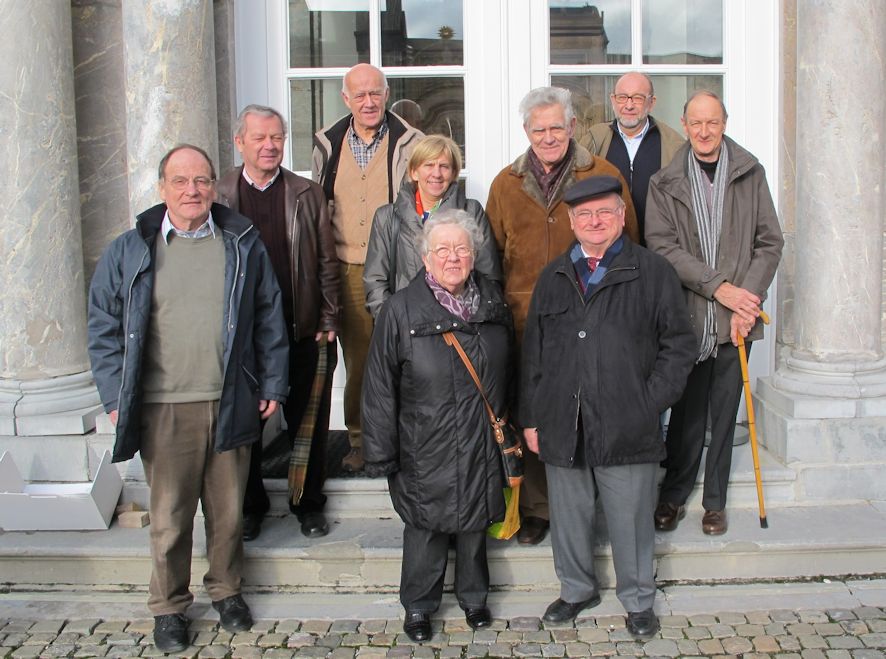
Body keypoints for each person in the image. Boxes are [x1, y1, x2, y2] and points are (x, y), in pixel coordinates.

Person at [87, 145, 289, 652]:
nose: (193, 190)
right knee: (171, 514)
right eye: (181, 181)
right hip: (162, 406)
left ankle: (226, 592)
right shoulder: (131, 248)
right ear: (162, 188)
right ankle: (170, 606)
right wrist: (115, 395)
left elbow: (269, 314)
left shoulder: (241, 241)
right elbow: (103, 326)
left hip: (228, 397)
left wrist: (271, 383)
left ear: (214, 187)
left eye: (201, 180)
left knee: (227, 511)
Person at [520, 176, 696, 639]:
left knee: (632, 519)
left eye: (604, 213)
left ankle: (638, 600)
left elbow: (679, 347)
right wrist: (532, 418)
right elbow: (533, 353)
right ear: (572, 222)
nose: (594, 222)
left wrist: (648, 401)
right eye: (584, 215)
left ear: (621, 217)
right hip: (563, 419)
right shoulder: (554, 275)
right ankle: (576, 590)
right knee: (570, 516)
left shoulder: (652, 272)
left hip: (627, 422)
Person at [485, 86, 639, 545]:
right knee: (531, 413)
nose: (548, 136)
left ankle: (586, 504)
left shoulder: (604, 173)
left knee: (586, 412)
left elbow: (629, 245)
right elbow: (491, 257)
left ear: (572, 126)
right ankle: (537, 508)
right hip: (523, 321)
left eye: (557, 126)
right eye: (539, 129)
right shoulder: (504, 184)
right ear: (526, 132)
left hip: (592, 320)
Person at [362, 210, 514, 643]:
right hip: (422, 441)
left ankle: (474, 597)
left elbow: (511, 370)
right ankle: (418, 606)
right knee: (425, 527)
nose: (453, 257)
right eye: (442, 249)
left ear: (474, 255)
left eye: (462, 248)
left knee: (474, 523)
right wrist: (381, 453)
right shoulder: (400, 308)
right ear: (425, 258)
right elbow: (378, 387)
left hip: (481, 436)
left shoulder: (492, 301)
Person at [646, 91, 784, 536]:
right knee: (685, 415)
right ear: (684, 125)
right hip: (688, 319)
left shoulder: (750, 172)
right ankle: (674, 494)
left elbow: (769, 242)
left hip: (737, 320)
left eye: (713, 123)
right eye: (696, 123)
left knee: (724, 414)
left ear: (724, 122)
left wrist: (747, 298)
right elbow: (663, 246)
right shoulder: (665, 182)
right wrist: (720, 288)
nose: (704, 132)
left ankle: (715, 502)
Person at [218, 105, 340, 541]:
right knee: (245, 426)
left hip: (301, 326)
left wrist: (328, 314)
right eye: (260, 138)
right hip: (244, 338)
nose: (270, 146)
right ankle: (250, 506)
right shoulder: (219, 196)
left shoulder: (307, 193)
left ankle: (307, 504)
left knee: (307, 422)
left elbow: (327, 261)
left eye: (277, 138)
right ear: (240, 143)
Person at [312, 63, 423, 473]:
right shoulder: (327, 143)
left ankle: (407, 437)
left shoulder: (412, 141)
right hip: (346, 266)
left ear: (387, 93)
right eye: (359, 95)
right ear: (346, 99)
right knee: (360, 360)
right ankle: (360, 438)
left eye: (375, 93)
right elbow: (319, 205)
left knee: (406, 356)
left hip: (399, 266)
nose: (368, 102)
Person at [363, 134, 501, 318]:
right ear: (414, 172)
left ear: (453, 173)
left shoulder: (471, 211)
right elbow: (375, 281)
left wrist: (473, 320)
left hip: (461, 323)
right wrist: (395, 322)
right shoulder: (387, 217)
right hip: (406, 322)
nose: (436, 173)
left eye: (444, 166)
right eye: (428, 165)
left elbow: (488, 275)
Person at [582, 72, 684, 242]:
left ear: (651, 103)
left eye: (637, 98)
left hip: (657, 251)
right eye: (622, 97)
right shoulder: (594, 140)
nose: (628, 105)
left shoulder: (673, 145)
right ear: (613, 100)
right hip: (606, 250)